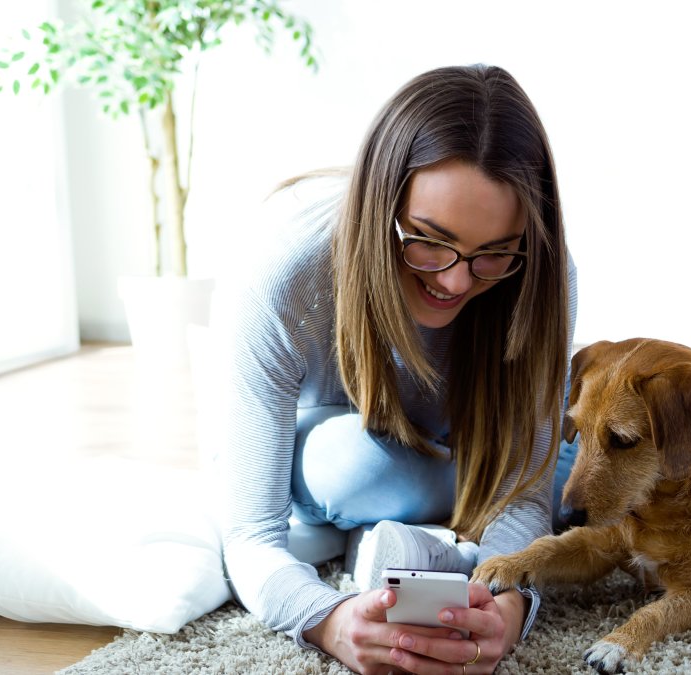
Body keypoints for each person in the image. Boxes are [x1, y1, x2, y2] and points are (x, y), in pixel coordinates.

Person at [216, 64, 577, 675]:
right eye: (429, 241)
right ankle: (428, 533)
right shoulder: (289, 274)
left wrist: (506, 604)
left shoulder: (542, 275)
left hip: (480, 456)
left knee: (587, 478)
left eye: (492, 254)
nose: (456, 280)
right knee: (349, 472)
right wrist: (329, 621)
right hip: (367, 453)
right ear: (379, 202)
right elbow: (250, 535)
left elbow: (521, 494)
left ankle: (401, 548)